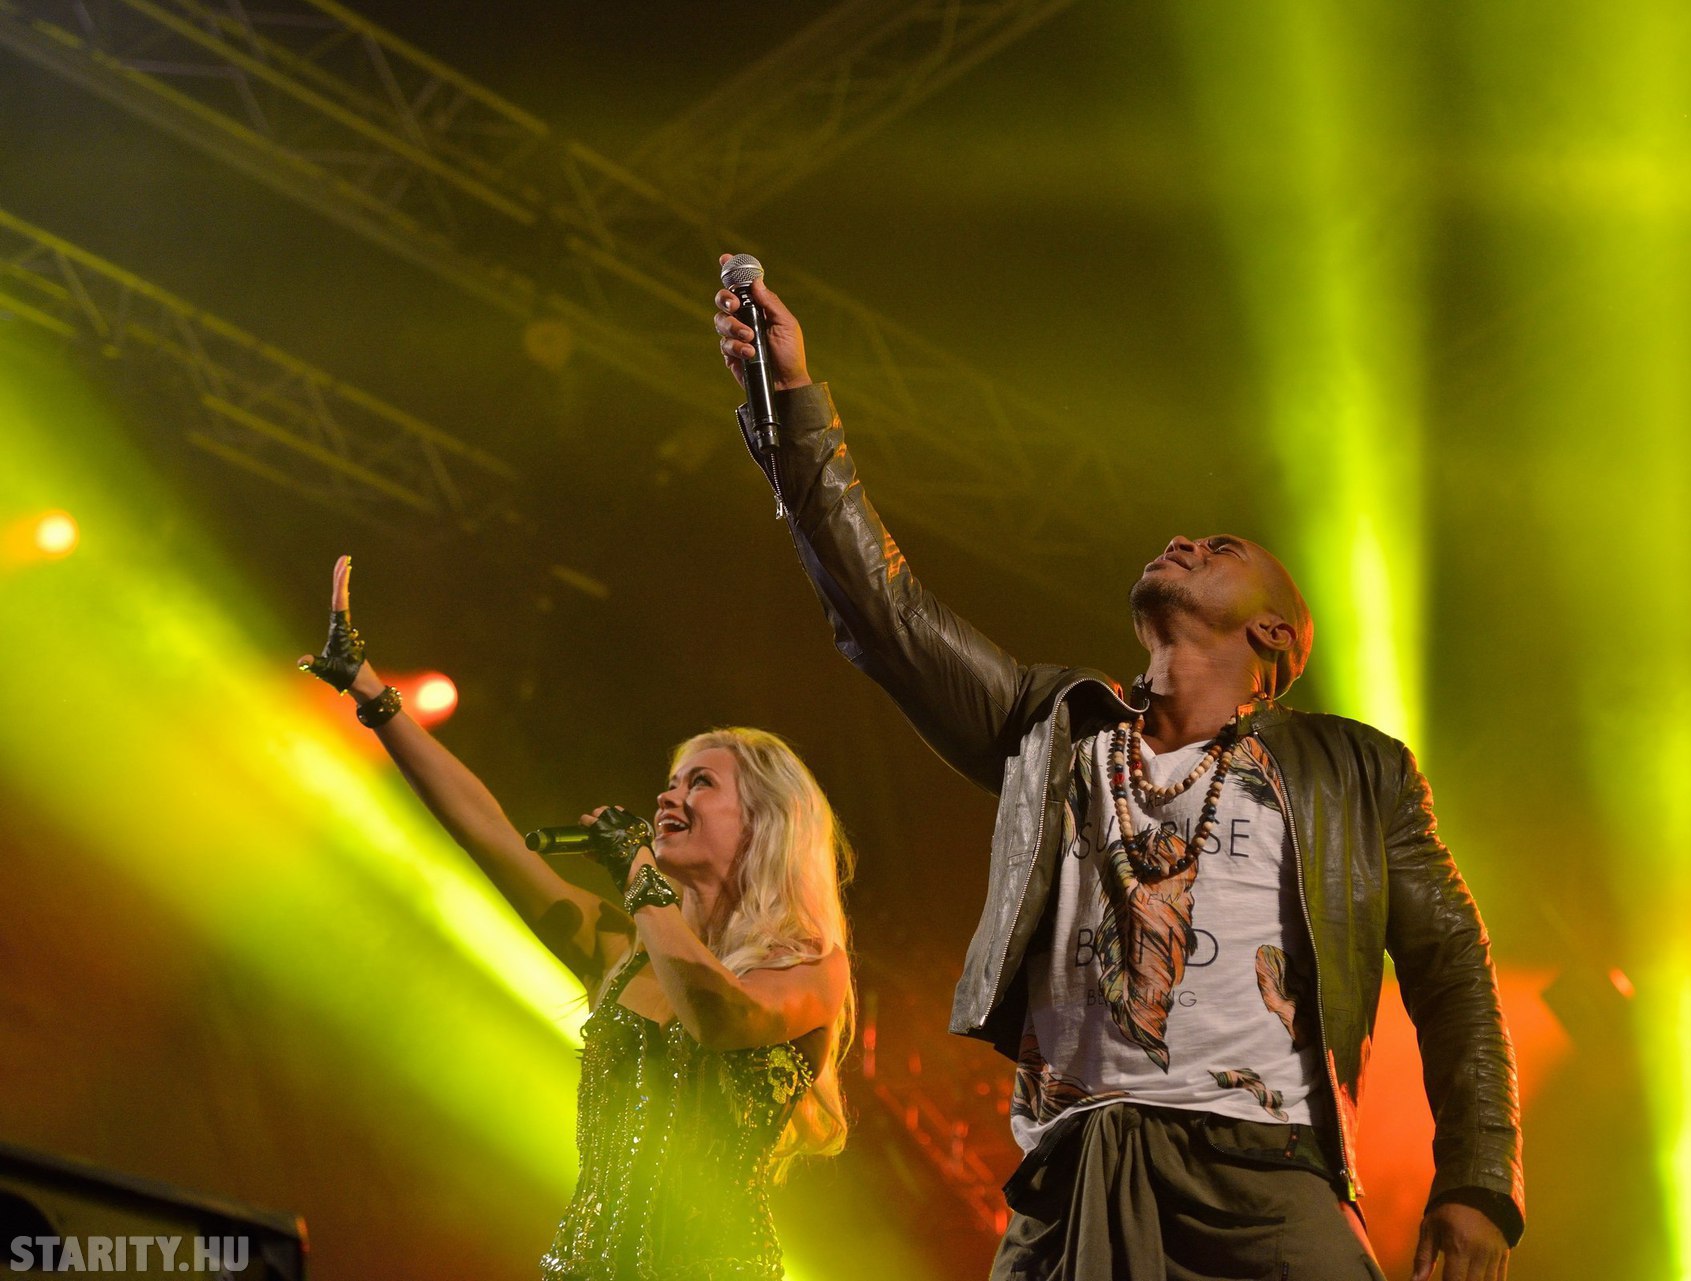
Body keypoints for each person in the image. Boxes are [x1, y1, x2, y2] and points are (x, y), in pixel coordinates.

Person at [710, 263, 1521, 1281]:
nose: (1181, 540)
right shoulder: (1055, 728)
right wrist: (792, 402)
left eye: (1218, 547)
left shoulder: (1357, 771)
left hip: (1268, 1177)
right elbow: (887, 614)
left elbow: (1453, 968)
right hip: (1077, 1173)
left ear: (1274, 631)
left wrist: (1479, 1177)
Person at [297, 555, 854, 1281]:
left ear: (765, 822)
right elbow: (487, 831)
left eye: (700, 783)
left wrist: (639, 878)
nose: (668, 797)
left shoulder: (809, 966)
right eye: (669, 782)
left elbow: (720, 1019)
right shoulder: (618, 948)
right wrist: (372, 693)